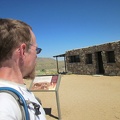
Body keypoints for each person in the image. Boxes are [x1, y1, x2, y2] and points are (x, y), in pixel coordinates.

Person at [0, 18, 46, 120]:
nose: (36, 56)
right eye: (36, 50)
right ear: (23, 51)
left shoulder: (13, 93)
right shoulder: (4, 105)